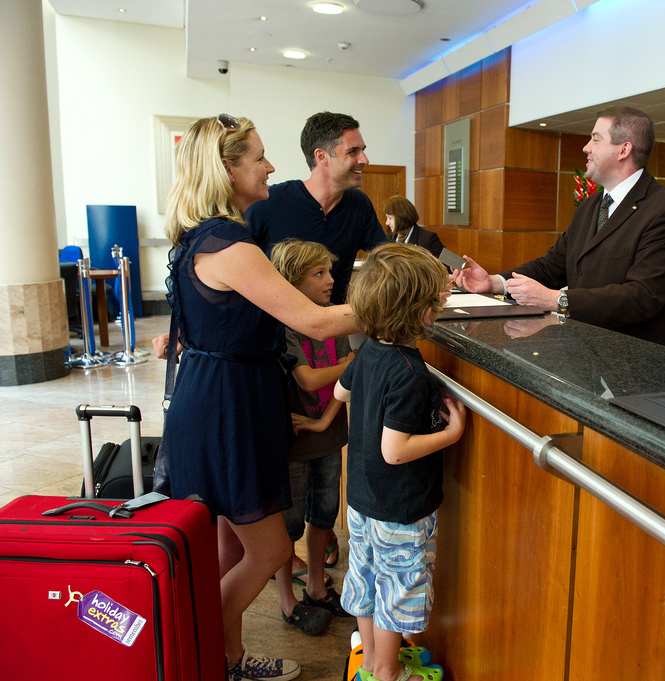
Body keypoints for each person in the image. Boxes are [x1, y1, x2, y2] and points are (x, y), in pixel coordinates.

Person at [161, 114, 361, 681]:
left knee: (225, 552)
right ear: (227, 169)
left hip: (211, 396)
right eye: (259, 156)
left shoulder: (196, 237)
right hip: (230, 405)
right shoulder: (231, 242)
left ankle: (227, 662)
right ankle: (197, 649)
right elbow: (316, 322)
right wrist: (399, 302)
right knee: (272, 551)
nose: (271, 166)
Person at [454, 106, 665, 352]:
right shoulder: (590, 206)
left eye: (595, 139)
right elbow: (552, 265)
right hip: (586, 356)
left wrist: (556, 299)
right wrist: (495, 283)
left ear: (624, 150)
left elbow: (642, 296)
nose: (586, 147)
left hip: (638, 365)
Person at [335, 243, 466, 681]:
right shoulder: (410, 372)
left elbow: (340, 392)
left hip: (361, 499)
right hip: (401, 507)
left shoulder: (369, 350)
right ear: (426, 314)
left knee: (367, 577)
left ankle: (371, 662)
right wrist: (451, 434)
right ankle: (389, 673)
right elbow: (396, 450)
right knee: (397, 588)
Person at [269, 239, 357, 637]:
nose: (330, 281)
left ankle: (318, 587)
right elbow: (305, 378)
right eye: (318, 274)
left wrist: (324, 423)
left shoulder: (331, 318)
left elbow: (346, 384)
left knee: (323, 516)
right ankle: (287, 598)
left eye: (330, 272)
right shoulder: (285, 326)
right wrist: (348, 364)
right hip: (294, 446)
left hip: (327, 434)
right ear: (291, 282)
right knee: (287, 526)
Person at [248, 111, 389, 304]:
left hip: (332, 326)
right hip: (277, 329)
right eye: (353, 151)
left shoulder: (359, 204)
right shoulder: (268, 202)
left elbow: (387, 258)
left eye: (363, 150)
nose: (364, 159)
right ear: (321, 156)